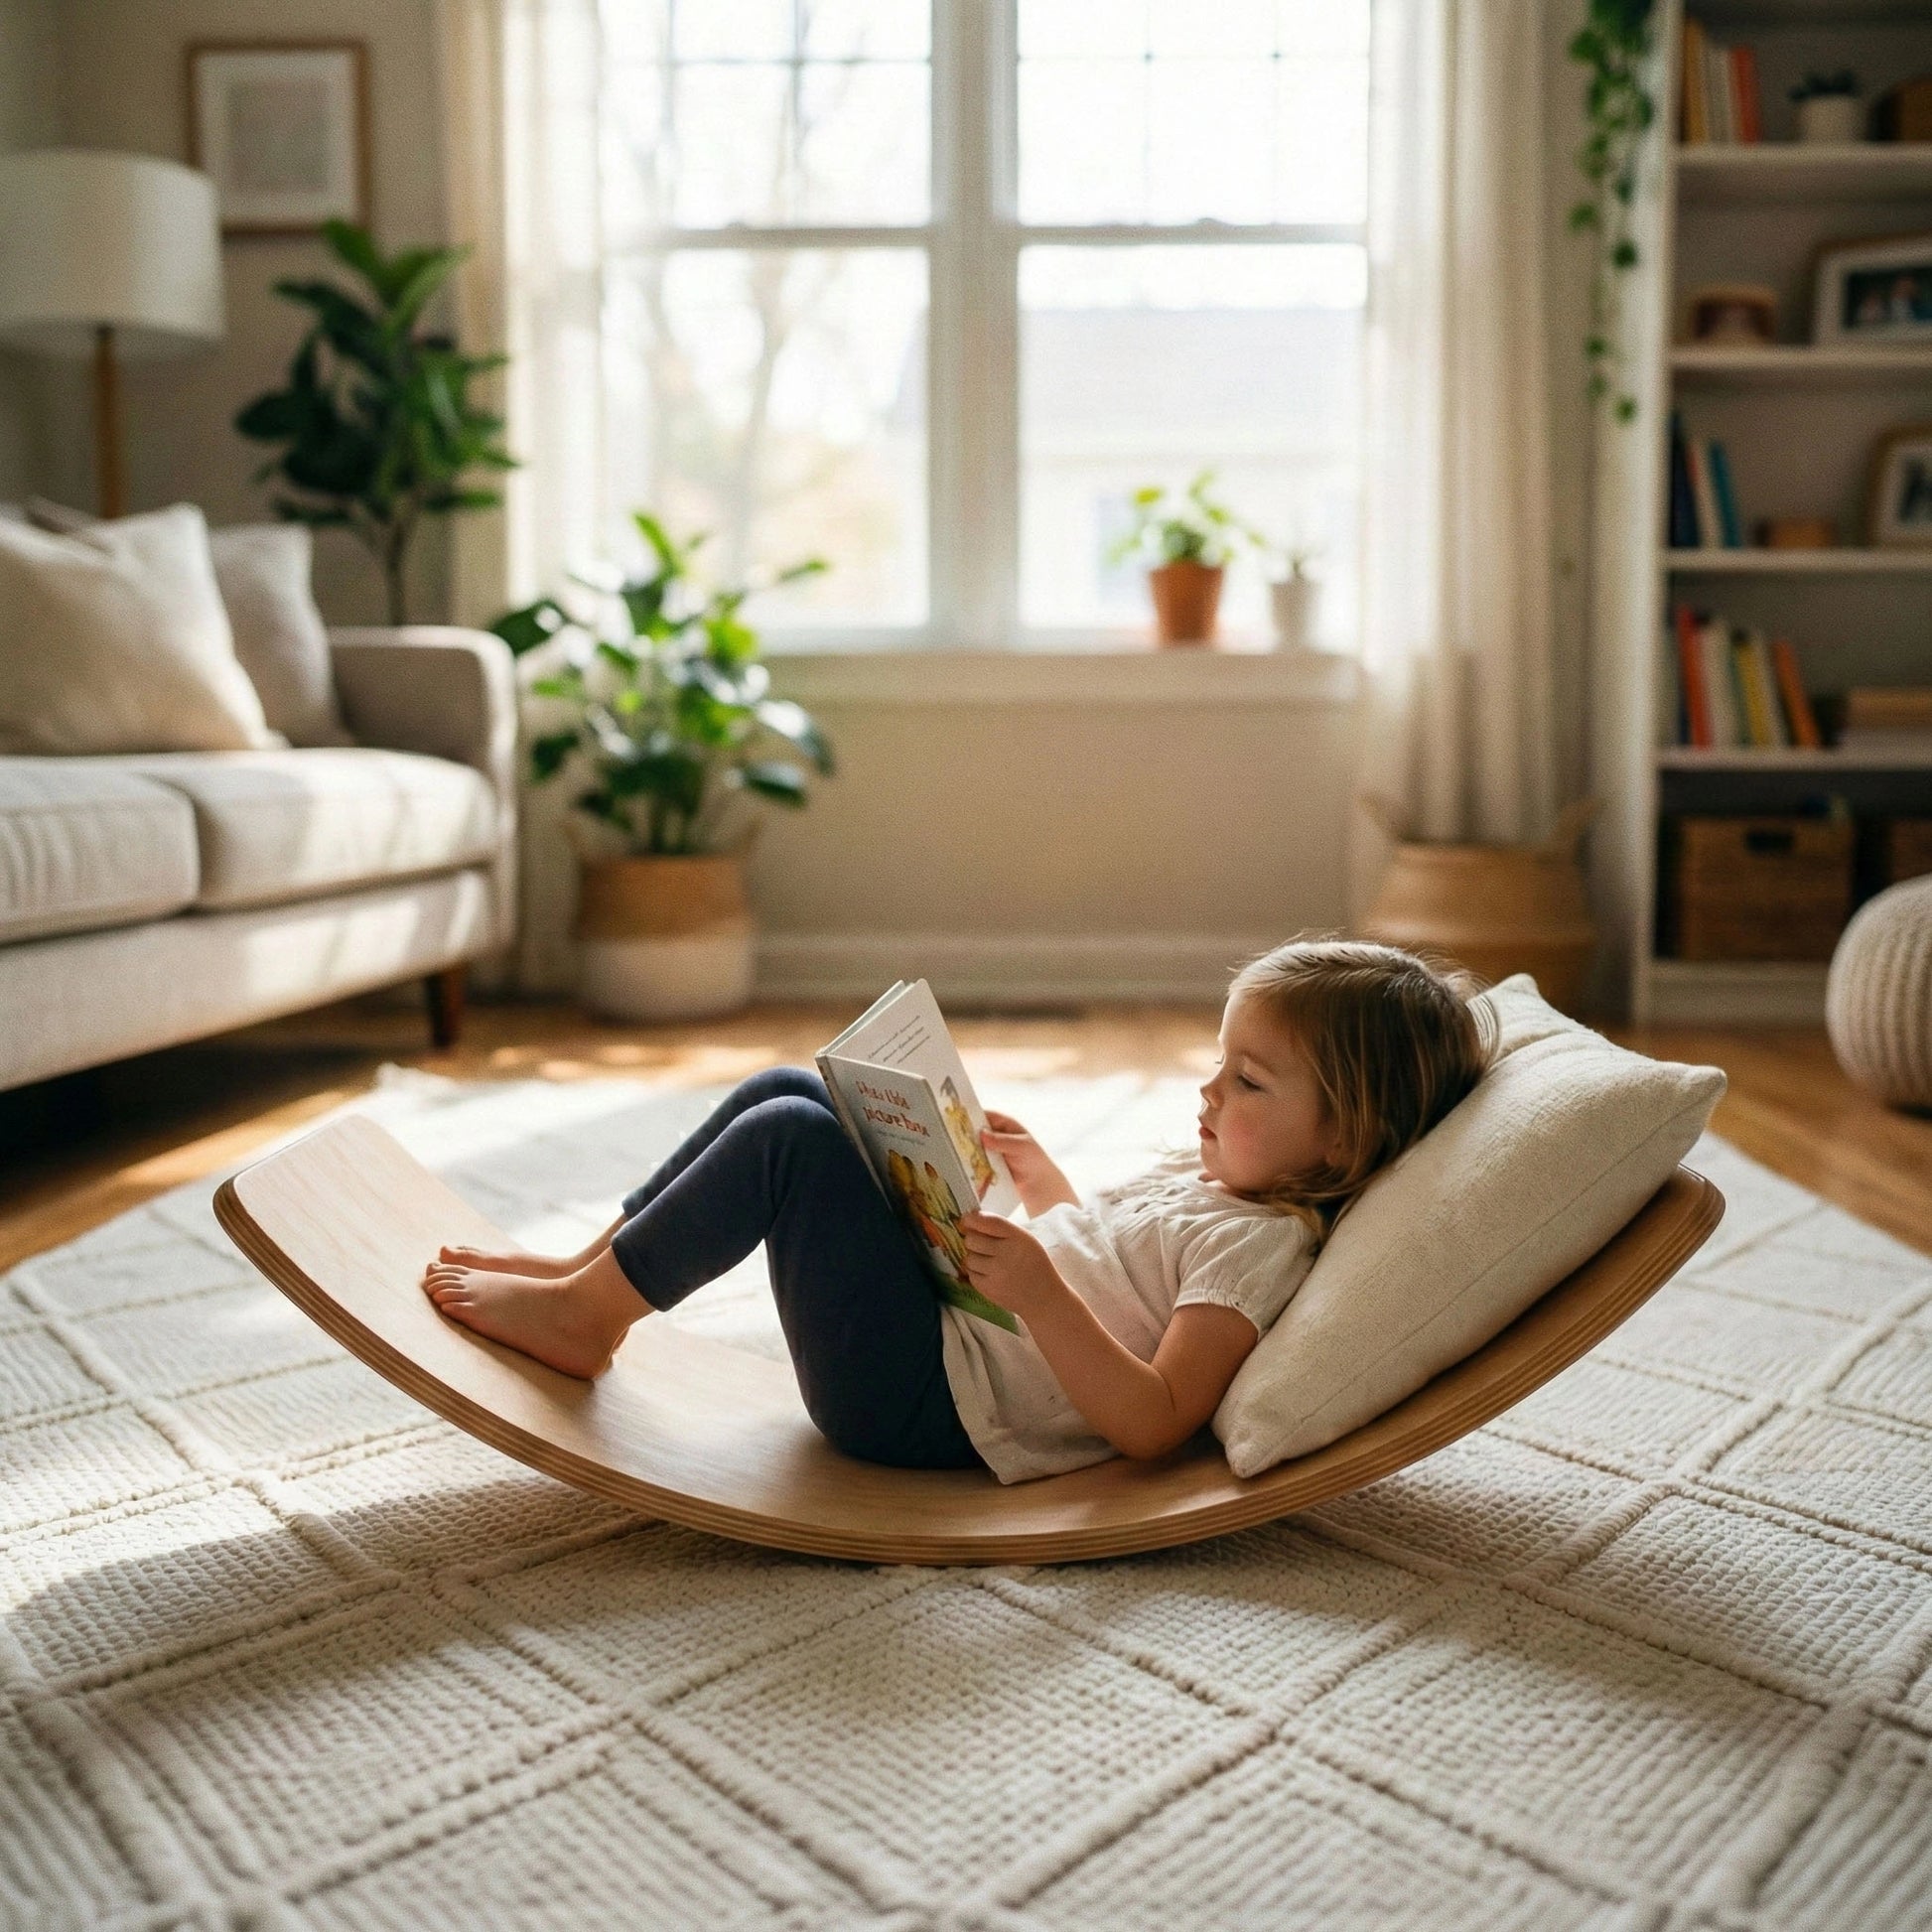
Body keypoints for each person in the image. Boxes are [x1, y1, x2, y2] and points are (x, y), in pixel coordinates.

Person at [418, 940, 1490, 1483]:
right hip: (953, 1328)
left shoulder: (1257, 1244)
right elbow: (1118, 1273)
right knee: (791, 1090)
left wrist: (1034, 1286)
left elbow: (1155, 1416)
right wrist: (1042, 1187)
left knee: (790, 1146)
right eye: (1220, 1063)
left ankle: (586, 1320)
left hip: (927, 1404)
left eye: (1249, 1082)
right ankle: (583, 1273)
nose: (1210, 1091)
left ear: (1344, 1140)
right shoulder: (1222, 1184)